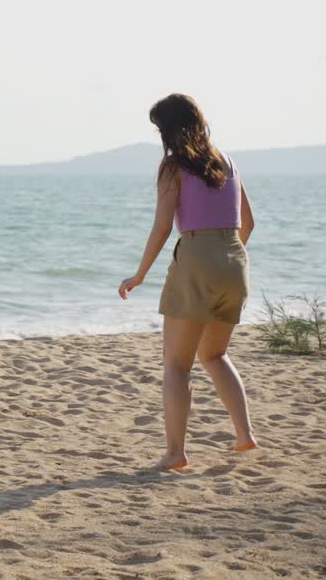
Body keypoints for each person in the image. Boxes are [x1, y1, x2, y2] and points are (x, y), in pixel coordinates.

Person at [119, 93, 258, 470]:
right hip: (234, 261)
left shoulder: (173, 167)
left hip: (196, 259)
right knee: (215, 354)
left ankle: (175, 452)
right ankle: (244, 435)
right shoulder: (228, 161)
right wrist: (225, 258)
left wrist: (140, 275)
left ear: (168, 129)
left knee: (177, 365)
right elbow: (248, 223)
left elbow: (163, 227)